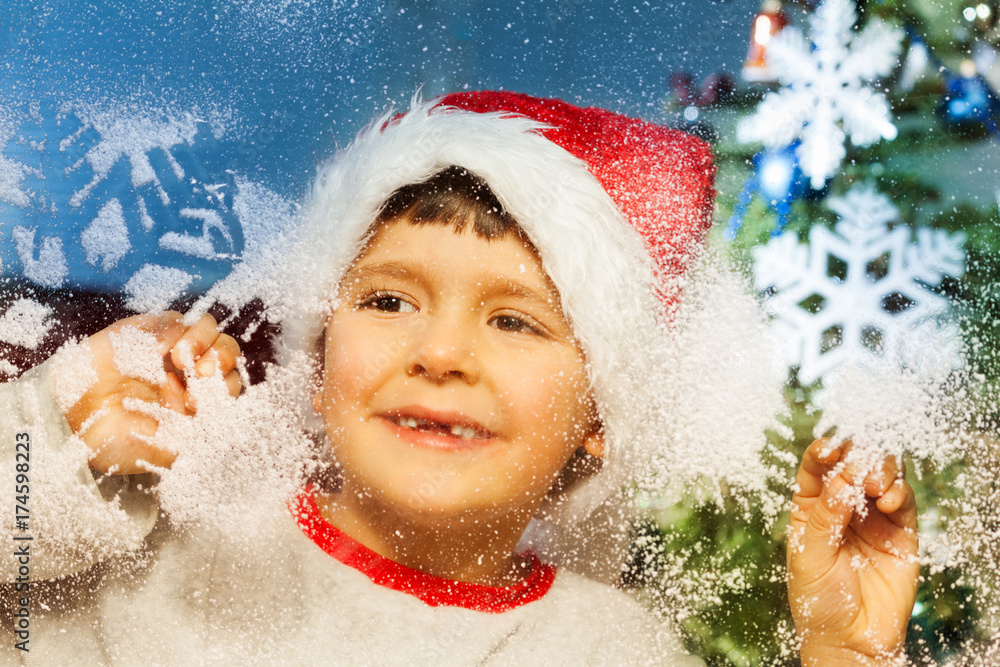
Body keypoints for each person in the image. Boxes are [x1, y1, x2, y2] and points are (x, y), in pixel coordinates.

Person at [0, 91, 918, 665]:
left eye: (514, 319)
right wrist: (57, 447)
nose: (439, 353)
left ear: (598, 418)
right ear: (319, 367)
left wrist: (844, 655)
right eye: (390, 302)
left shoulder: (613, 649)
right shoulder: (176, 517)